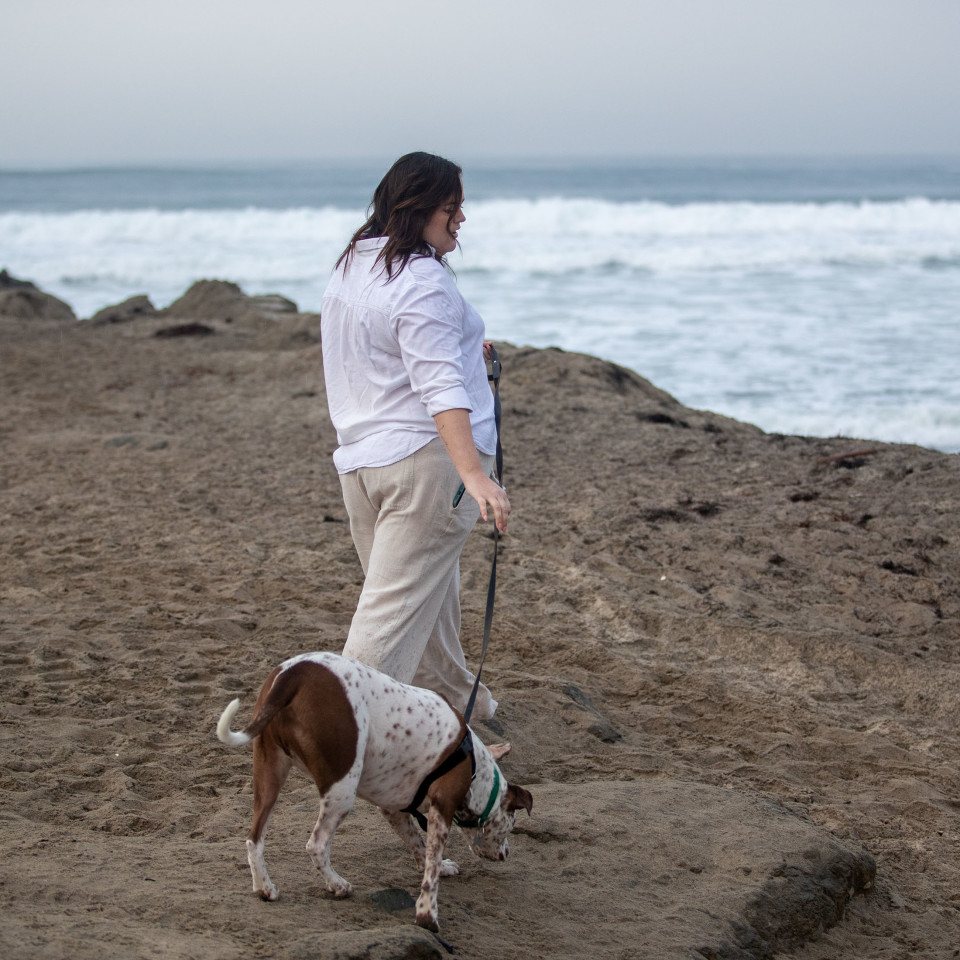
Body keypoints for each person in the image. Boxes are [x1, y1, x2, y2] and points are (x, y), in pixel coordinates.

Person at [320, 151, 510, 720]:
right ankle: (347, 736)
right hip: (426, 469)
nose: (461, 219)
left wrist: (462, 349)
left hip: (363, 463)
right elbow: (439, 388)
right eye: (452, 207)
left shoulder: (356, 262)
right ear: (418, 208)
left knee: (424, 603)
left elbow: (382, 348)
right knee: (389, 619)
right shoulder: (423, 279)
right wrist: (474, 475)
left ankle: (454, 712)